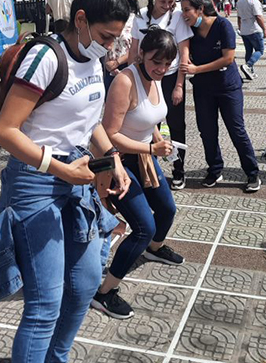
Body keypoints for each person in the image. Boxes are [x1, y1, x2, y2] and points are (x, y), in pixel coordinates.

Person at [0, 0, 132, 363]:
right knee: (44, 304)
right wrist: (60, 171)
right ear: (81, 19)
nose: (110, 46)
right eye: (106, 36)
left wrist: (112, 156)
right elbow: (6, 131)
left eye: (116, 39)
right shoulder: (45, 57)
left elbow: (88, 123)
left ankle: (57, 358)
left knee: (85, 283)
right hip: (36, 181)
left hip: (75, 174)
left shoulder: (94, 58)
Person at [94, 28, 183, 319]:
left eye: (167, 63)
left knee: (167, 210)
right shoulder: (125, 81)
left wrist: (156, 139)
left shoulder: (156, 79)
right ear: (142, 53)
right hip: (119, 162)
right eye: (156, 61)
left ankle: (154, 249)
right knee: (143, 227)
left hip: (145, 157)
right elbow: (109, 134)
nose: (161, 68)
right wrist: (151, 149)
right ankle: (104, 292)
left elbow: (149, 117)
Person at [180, 0, 261, 192]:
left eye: (186, 10)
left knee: (237, 130)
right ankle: (215, 169)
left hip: (228, 87)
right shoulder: (189, 30)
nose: (183, 15)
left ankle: (252, 173)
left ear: (200, 9)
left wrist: (197, 69)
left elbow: (228, 58)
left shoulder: (223, 25)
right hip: (203, 89)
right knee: (207, 132)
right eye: (182, 10)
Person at [128, 0, 192, 190]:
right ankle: (147, 166)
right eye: (163, 1)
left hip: (171, 76)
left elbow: (184, 52)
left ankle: (178, 169)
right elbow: (134, 51)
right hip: (146, 76)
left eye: (171, 2)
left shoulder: (177, 18)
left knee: (176, 125)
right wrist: (131, 78)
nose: (168, 6)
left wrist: (179, 85)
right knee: (146, 125)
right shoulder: (141, 17)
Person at [237, 0, 266, 80]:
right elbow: (258, 16)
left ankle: (250, 72)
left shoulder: (240, 0)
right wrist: (264, 29)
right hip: (254, 29)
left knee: (248, 51)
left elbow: (239, 17)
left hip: (244, 30)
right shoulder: (253, 1)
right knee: (260, 50)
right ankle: (248, 65)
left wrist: (240, 28)